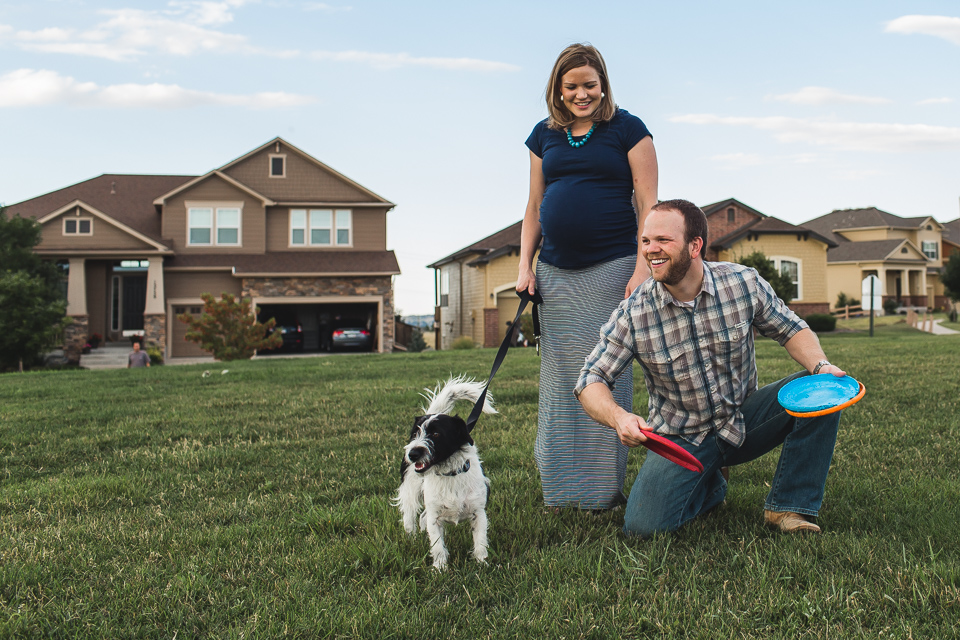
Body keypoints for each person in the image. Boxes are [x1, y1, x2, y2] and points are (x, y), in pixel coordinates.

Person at [575, 199, 846, 536]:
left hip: (744, 420)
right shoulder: (634, 312)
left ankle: (789, 508)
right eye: (645, 241)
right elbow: (591, 379)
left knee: (825, 388)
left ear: (695, 245)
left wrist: (821, 365)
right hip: (681, 438)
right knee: (643, 528)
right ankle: (710, 483)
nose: (651, 250)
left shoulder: (742, 282)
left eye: (663, 240)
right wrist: (619, 418)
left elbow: (792, 329)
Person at [517, 43, 658, 510]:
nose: (582, 94)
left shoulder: (628, 129)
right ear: (558, 89)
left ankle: (600, 492)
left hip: (614, 267)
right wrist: (525, 266)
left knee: (606, 375)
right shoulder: (544, 135)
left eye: (590, 85)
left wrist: (642, 266)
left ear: (604, 85)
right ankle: (562, 492)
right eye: (572, 86)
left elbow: (649, 203)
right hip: (554, 273)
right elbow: (535, 206)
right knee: (561, 379)